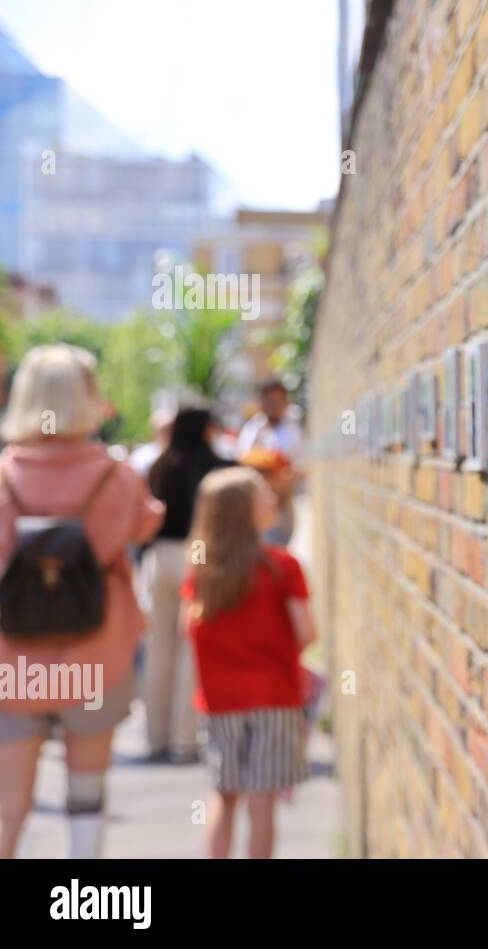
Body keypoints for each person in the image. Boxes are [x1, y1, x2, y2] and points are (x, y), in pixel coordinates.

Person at [0, 344, 164, 858]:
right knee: (87, 793)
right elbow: (146, 523)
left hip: (13, 659)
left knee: (8, 804)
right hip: (98, 650)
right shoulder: (115, 475)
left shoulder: (4, 477)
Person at [183, 467, 316, 859]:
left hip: (220, 699)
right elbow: (306, 631)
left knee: (223, 797)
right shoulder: (282, 565)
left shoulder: (203, 572)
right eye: (264, 495)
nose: (274, 499)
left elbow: (185, 626)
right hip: (274, 696)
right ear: (245, 511)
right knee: (263, 803)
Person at [143, 407, 232, 763]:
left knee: (159, 648)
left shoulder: (159, 465)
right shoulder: (216, 467)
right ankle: (185, 741)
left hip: (159, 556)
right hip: (196, 553)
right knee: (191, 651)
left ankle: (156, 738)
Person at [237, 379, 302, 546]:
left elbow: (300, 466)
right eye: (270, 400)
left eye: (278, 401)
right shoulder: (252, 429)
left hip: (282, 504)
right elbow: (243, 459)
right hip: (254, 505)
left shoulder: (293, 430)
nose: (274, 405)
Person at [127, 409, 174, 479]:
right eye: (164, 430)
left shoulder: (184, 455)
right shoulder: (142, 457)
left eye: (171, 429)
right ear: (154, 432)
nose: (168, 434)